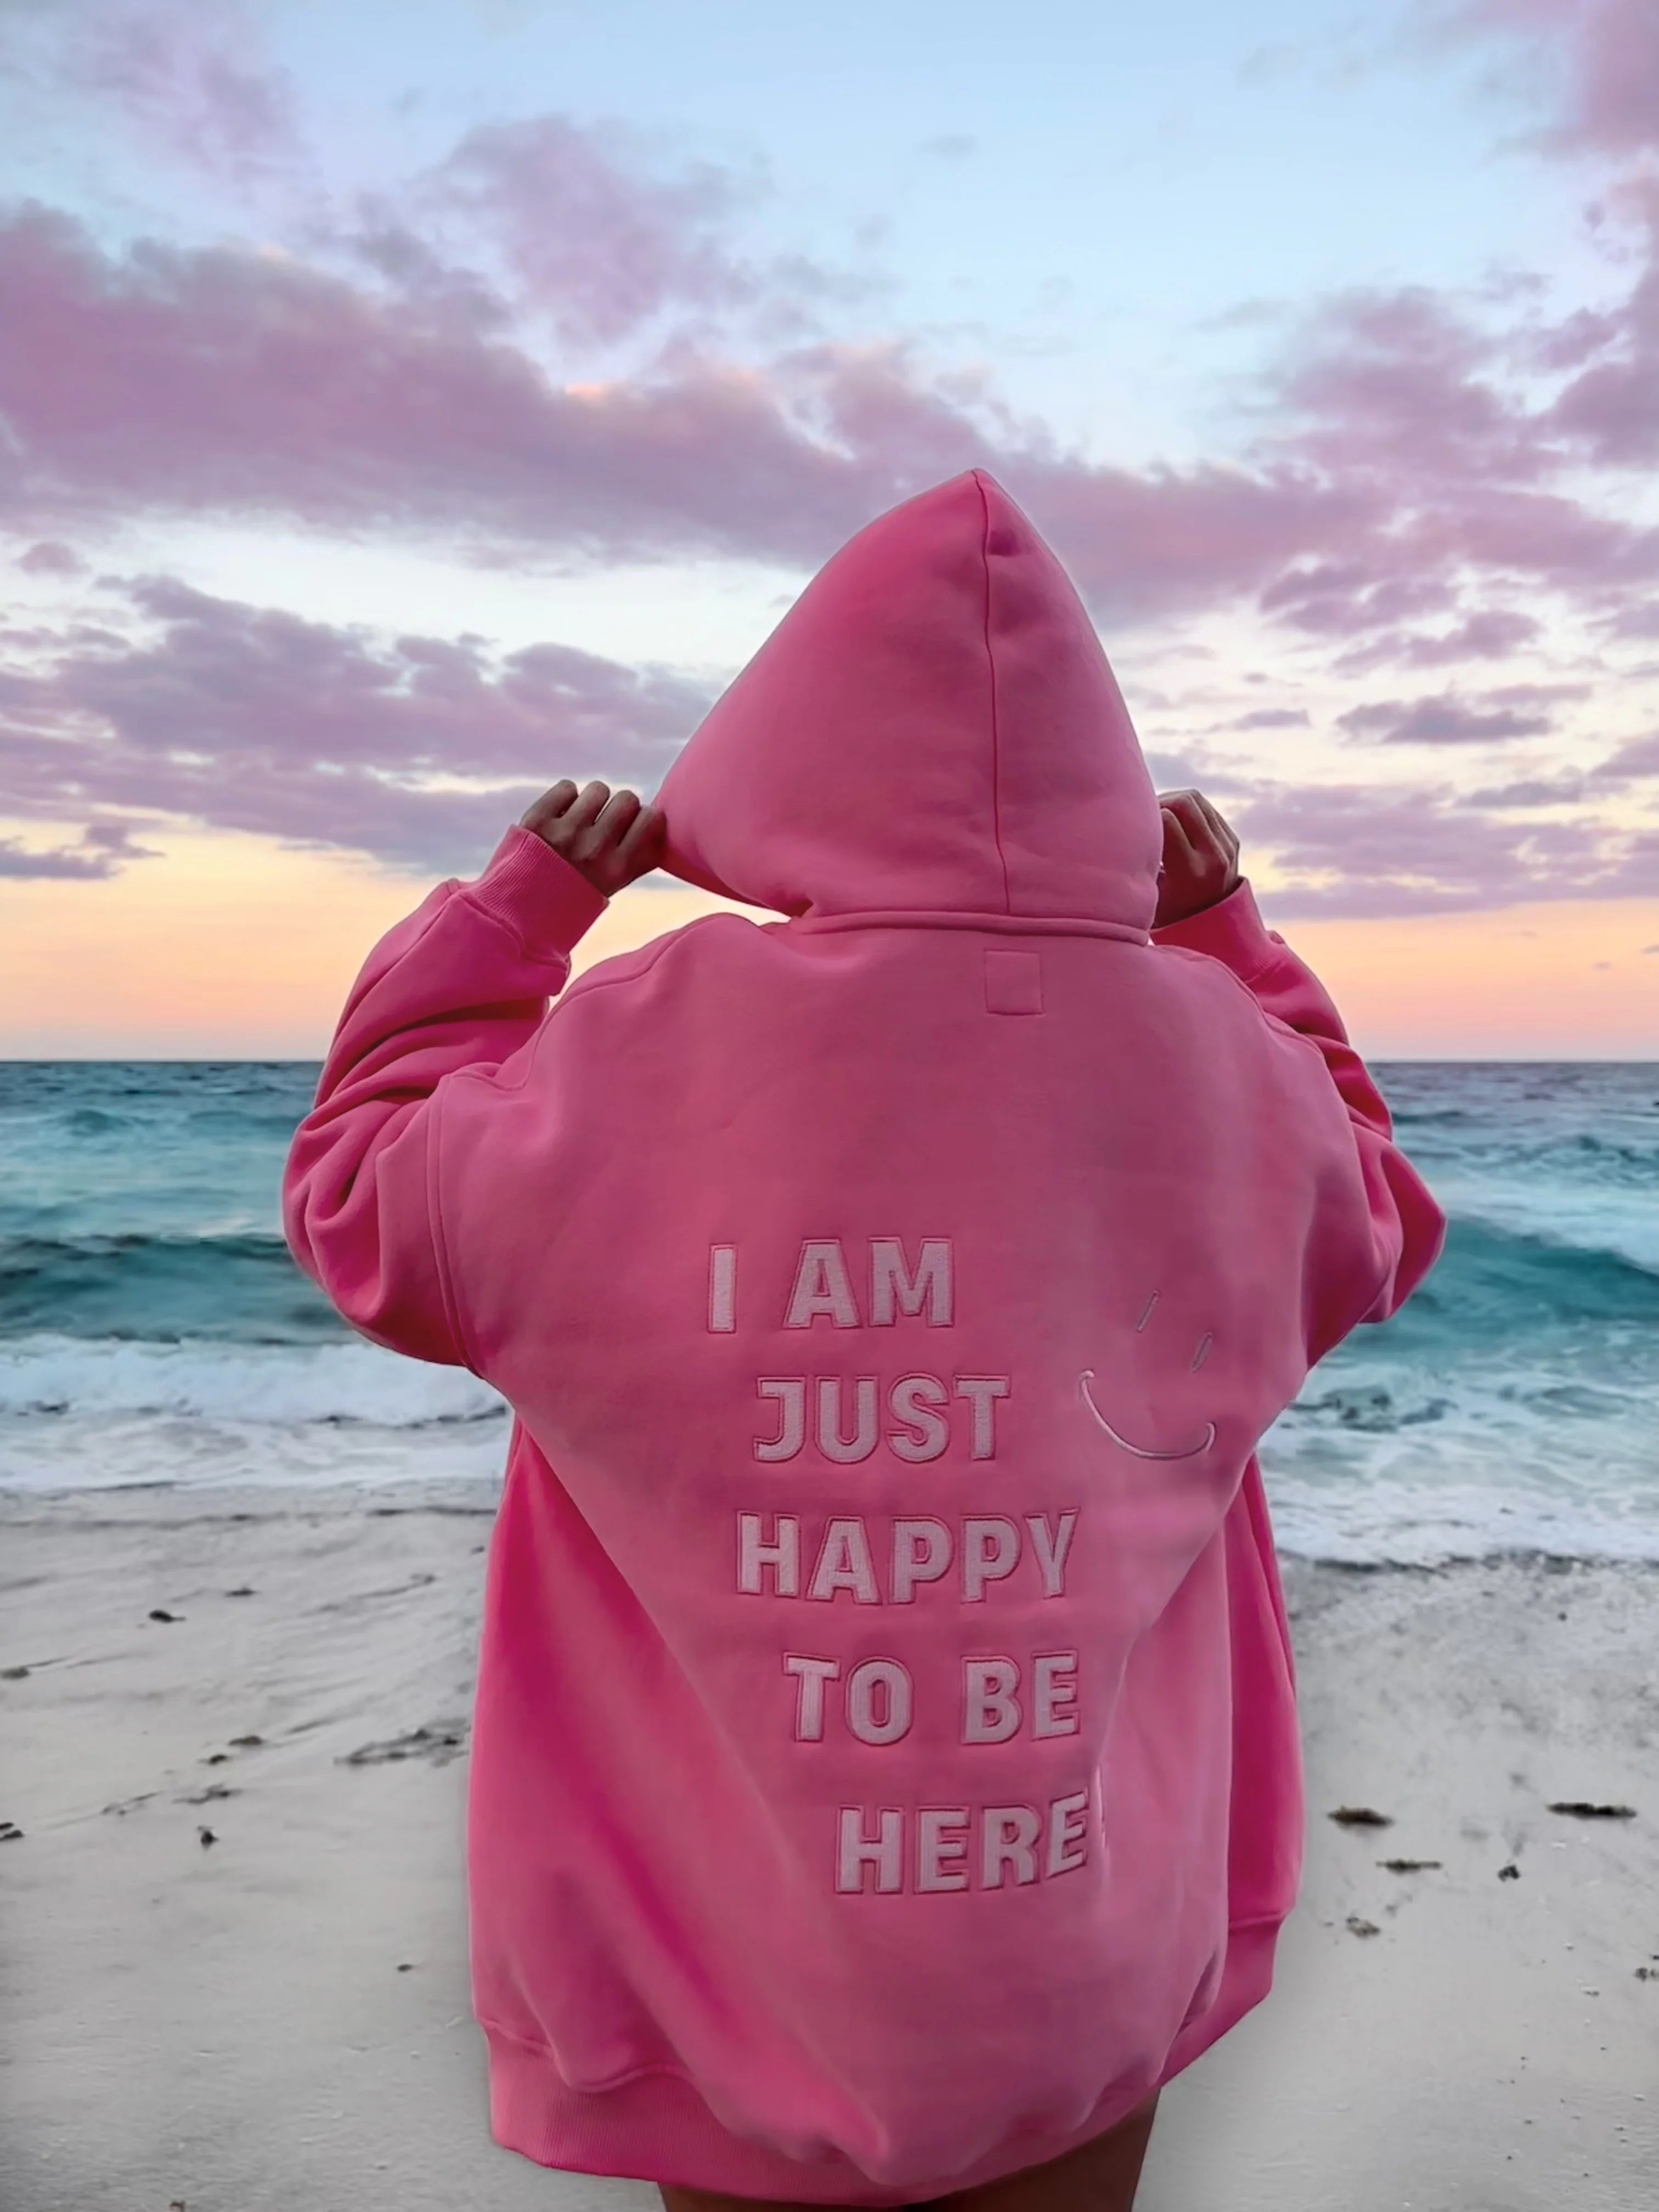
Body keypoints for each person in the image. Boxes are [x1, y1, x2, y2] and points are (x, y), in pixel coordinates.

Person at [284, 470, 1446, 2212]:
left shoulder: (641, 1043)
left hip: (732, 1954)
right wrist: (1227, 944)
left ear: (778, 753)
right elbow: (1377, 1212)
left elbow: (366, 1210)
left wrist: (513, 920)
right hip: (1089, 1937)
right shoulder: (1224, 1059)